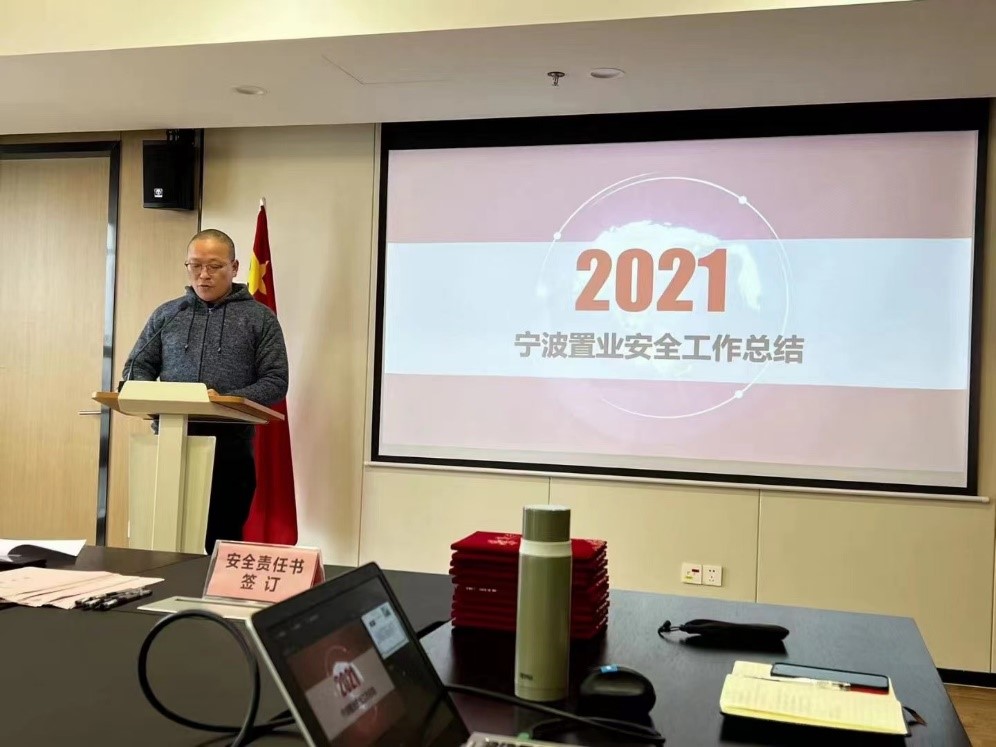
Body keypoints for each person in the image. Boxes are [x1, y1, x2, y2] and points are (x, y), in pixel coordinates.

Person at [123, 228, 289, 553]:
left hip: (229, 452)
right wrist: (148, 393)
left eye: (214, 266)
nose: (203, 275)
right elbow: (136, 368)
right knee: (160, 543)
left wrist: (225, 401)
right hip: (168, 445)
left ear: (234, 267)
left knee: (220, 545)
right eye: (195, 265)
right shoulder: (169, 314)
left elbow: (275, 381)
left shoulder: (259, 319)